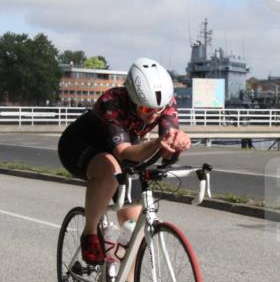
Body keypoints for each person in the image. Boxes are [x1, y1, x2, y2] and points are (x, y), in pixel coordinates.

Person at [58, 58, 191, 264]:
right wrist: (158, 142)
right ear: (132, 97)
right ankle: (90, 234)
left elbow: (165, 147)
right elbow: (123, 152)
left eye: (159, 109)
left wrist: (176, 144)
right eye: (147, 110)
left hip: (128, 145)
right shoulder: (112, 101)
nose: (154, 114)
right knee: (109, 167)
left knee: (133, 227)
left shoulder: (164, 102)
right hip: (82, 144)